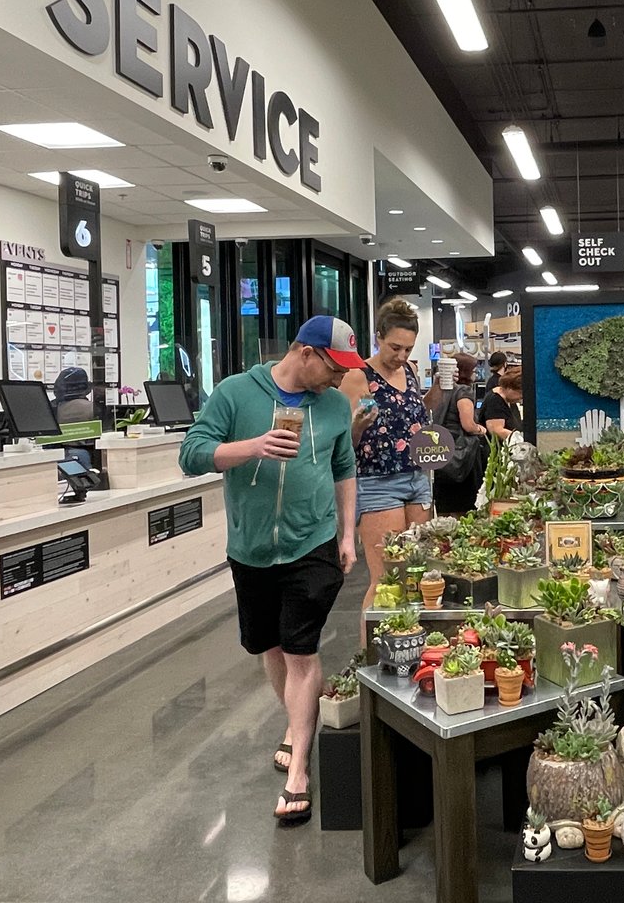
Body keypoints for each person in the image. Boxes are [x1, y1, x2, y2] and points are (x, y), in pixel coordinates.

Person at [178, 315, 365, 824]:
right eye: (334, 366)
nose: (339, 378)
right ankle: (296, 721)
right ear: (305, 352)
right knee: (272, 646)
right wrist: (253, 447)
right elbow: (191, 455)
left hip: (314, 544)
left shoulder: (331, 406)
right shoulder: (237, 394)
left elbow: (343, 469)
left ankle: (299, 770)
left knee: (301, 650)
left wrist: (347, 533)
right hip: (252, 549)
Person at [339, 299, 434, 636]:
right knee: (386, 580)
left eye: (408, 348)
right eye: (395, 347)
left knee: (418, 575)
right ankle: (370, 664)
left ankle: (410, 650)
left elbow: (417, 424)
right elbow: (344, 443)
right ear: (378, 336)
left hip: (417, 480)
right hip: (377, 482)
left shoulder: (408, 372)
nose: (402, 355)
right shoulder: (356, 376)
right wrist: (359, 426)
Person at [435, 352, 488, 514]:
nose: (475, 373)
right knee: (464, 507)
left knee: (445, 504)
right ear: (465, 371)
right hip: (462, 454)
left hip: (441, 450)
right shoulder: (463, 391)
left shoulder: (439, 391)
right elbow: (468, 424)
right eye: (473, 369)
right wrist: (481, 429)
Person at [481, 367, 524, 438]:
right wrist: (519, 438)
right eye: (520, 393)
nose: (521, 397)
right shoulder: (495, 401)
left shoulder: (509, 400)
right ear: (509, 388)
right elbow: (496, 430)